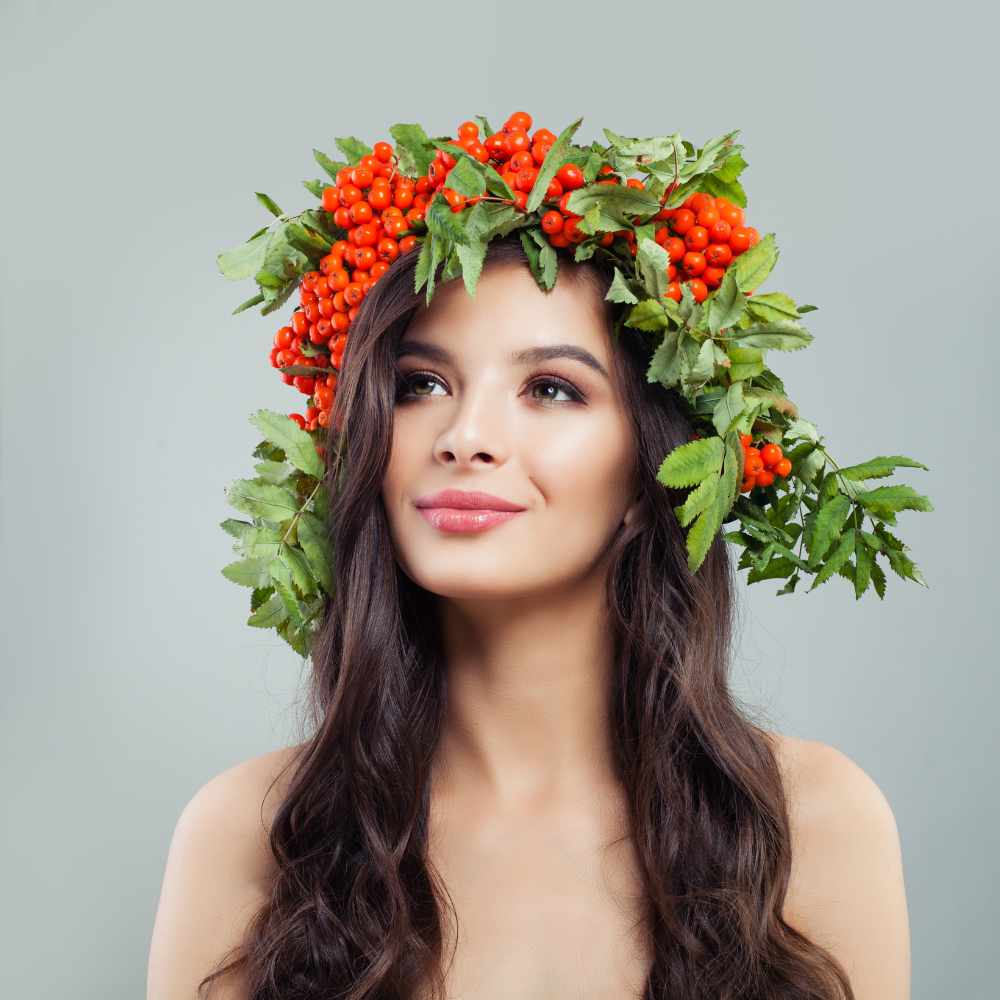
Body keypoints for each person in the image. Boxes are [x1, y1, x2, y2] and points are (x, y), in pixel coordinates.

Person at [147, 233, 911, 1000]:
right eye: (419, 383)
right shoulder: (247, 833)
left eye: (551, 388)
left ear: (660, 471)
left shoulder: (817, 822)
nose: (465, 438)